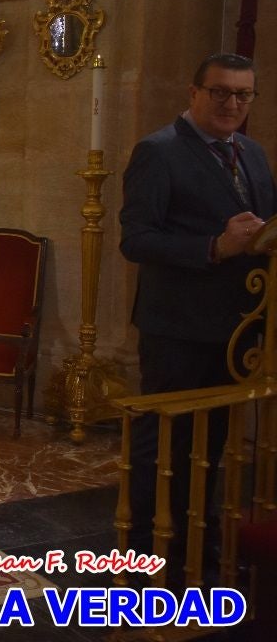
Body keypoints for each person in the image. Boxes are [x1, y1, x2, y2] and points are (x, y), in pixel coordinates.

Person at [120, 52, 275, 567]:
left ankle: (198, 545)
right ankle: (145, 554)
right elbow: (136, 239)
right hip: (178, 329)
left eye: (243, 94)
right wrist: (214, 247)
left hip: (237, 331)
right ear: (194, 94)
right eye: (221, 92)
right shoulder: (158, 152)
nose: (232, 103)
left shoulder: (251, 153)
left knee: (211, 450)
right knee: (162, 446)